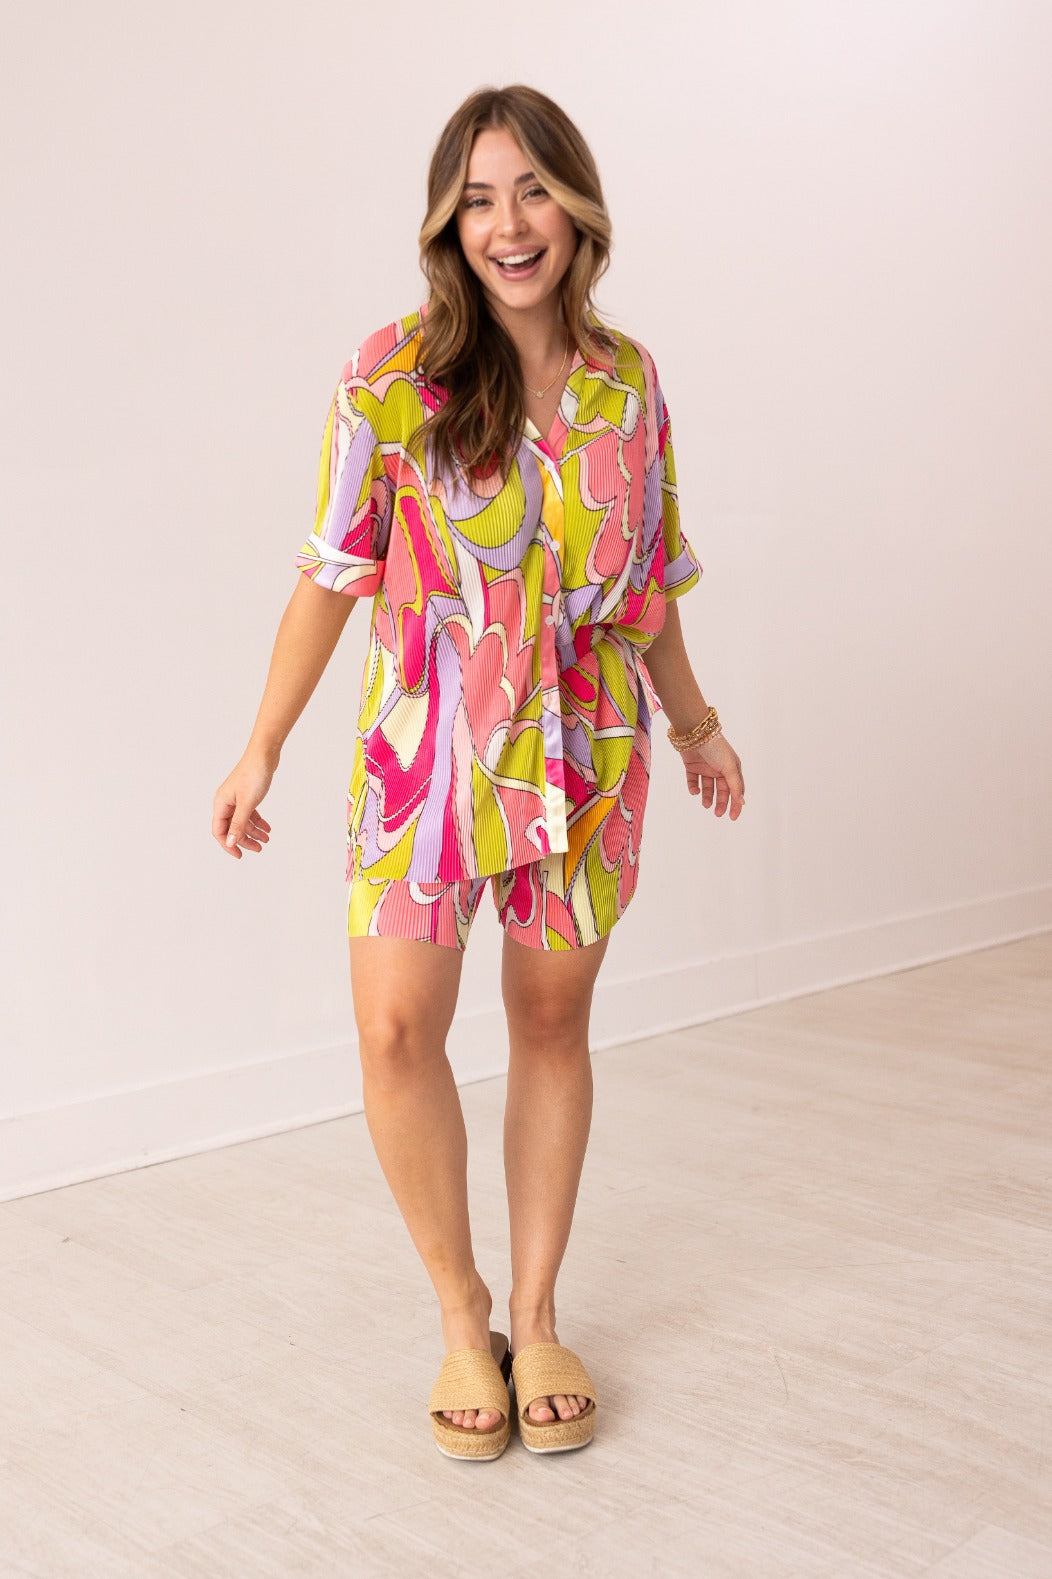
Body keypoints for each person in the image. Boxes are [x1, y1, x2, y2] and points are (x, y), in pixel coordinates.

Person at [212, 84, 744, 1462]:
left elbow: (649, 583)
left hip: (588, 747)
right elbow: (333, 573)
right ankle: (464, 1320)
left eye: (534, 191)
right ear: (449, 222)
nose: (510, 225)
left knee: (551, 1024)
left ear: (578, 207)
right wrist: (263, 743)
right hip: (426, 750)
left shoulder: (629, 382)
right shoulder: (393, 375)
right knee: (397, 1031)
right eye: (479, 198)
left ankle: (542, 1312)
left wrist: (697, 725)